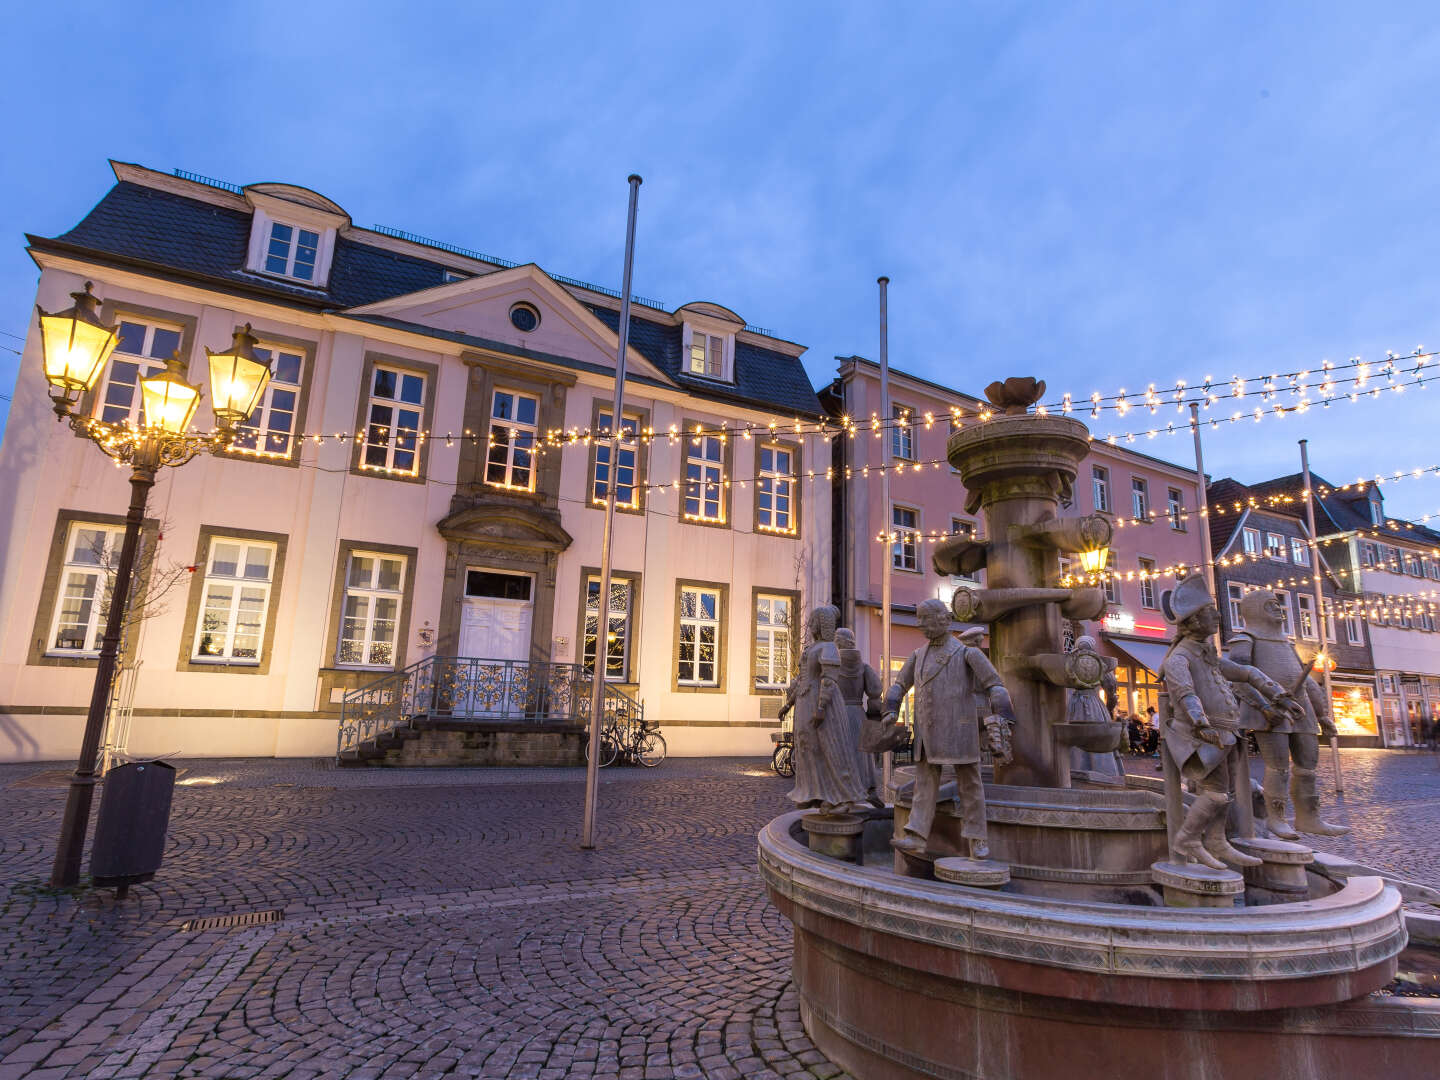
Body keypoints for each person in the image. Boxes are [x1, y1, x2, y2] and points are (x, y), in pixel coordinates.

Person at [1159, 575, 1298, 871]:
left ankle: (1218, 840)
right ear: (1195, 620)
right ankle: (1187, 839)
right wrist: (1201, 723)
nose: (1218, 614)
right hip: (1202, 738)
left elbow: (1245, 672)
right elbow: (1185, 693)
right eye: (1210, 611)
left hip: (1227, 733)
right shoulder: (1179, 657)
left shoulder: (1208, 655)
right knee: (1215, 792)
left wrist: (1279, 695)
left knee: (1226, 793)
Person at [883, 598, 1014, 859]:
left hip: (959, 728)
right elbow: (900, 685)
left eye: (926, 619)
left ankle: (977, 838)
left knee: (970, 784)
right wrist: (891, 709)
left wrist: (1002, 717)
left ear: (944, 620)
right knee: (924, 783)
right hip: (928, 730)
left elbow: (995, 684)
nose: (920, 625)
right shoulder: (918, 655)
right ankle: (916, 835)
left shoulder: (966, 653)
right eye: (919, 619)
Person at [1228, 590, 1347, 838]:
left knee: (1307, 766)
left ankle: (1309, 817)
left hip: (1301, 707)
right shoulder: (1245, 639)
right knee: (1278, 766)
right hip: (1270, 710)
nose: (1278, 609)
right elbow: (1238, 678)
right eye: (1270, 605)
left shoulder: (1286, 642)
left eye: (1277, 604)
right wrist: (1264, 706)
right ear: (1255, 609)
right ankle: (1277, 818)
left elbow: (1307, 682)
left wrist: (1323, 714)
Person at [782, 605, 871, 813]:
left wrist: (822, 707)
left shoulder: (828, 648)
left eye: (813, 623)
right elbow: (802, 679)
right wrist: (788, 704)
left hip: (822, 704)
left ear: (822, 626)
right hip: (805, 702)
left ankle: (843, 797)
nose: (810, 626)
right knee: (808, 749)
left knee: (831, 749)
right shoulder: (811, 648)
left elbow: (829, 680)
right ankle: (813, 792)